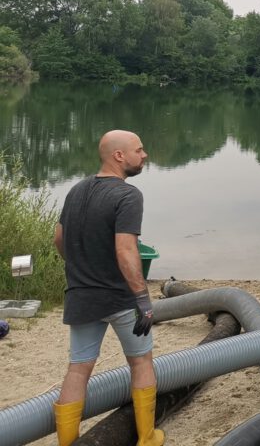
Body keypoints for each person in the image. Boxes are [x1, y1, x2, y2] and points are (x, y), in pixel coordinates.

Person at [52, 130, 163, 446]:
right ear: (119, 156)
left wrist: (81, 269)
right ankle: (147, 437)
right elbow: (126, 250)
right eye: (139, 150)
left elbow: (59, 240)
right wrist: (142, 299)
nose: (145, 155)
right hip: (120, 298)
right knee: (141, 362)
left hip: (81, 297)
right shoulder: (128, 195)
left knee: (78, 370)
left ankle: (67, 442)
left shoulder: (76, 191)